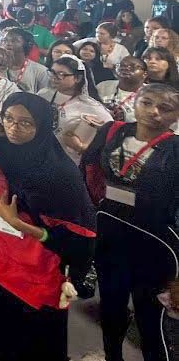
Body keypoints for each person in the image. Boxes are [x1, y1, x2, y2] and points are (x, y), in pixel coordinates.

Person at [0, 93, 97, 361]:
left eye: (26, 123)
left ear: (43, 126)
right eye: (9, 119)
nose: (14, 128)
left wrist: (19, 224)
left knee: (26, 345)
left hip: (31, 276)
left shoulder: (60, 174)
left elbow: (80, 242)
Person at [78, 83, 179, 361]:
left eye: (165, 108)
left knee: (150, 321)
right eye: (146, 103)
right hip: (110, 234)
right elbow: (88, 170)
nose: (153, 112)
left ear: (176, 115)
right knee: (111, 310)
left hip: (154, 244)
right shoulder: (113, 131)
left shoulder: (176, 149)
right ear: (135, 101)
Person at [36, 55, 113, 164]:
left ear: (78, 78)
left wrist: (81, 147)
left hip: (69, 164)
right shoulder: (43, 94)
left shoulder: (92, 107)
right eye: (52, 72)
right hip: (40, 157)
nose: (54, 77)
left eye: (61, 74)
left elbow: (111, 137)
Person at [96, 56, 147, 122]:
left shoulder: (151, 94)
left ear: (145, 74)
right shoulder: (103, 86)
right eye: (121, 66)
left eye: (133, 66)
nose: (125, 68)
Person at [2, 28, 49, 93]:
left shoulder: (41, 71)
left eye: (14, 41)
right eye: (5, 40)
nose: (8, 44)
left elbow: (44, 98)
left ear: (27, 45)